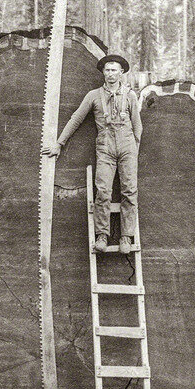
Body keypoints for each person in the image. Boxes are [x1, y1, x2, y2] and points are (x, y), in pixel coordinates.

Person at [42, 53, 142, 255]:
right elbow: (76, 119)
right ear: (103, 73)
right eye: (107, 70)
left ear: (121, 72)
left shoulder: (130, 96)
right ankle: (102, 235)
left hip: (127, 147)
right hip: (105, 148)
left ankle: (126, 237)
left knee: (129, 191)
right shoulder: (94, 96)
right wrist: (59, 144)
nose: (111, 74)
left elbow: (138, 127)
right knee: (103, 191)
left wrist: (134, 152)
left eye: (114, 69)